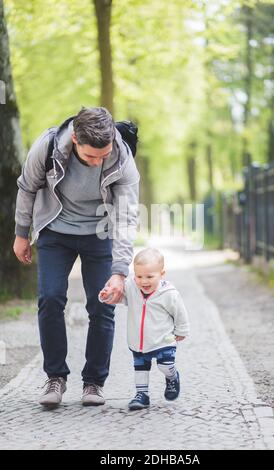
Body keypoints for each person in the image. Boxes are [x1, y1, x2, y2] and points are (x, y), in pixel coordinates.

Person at [13, 107, 139, 408]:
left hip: (100, 232)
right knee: (51, 298)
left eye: (103, 155)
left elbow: (126, 216)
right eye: (91, 157)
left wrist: (120, 271)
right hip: (56, 230)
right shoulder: (47, 147)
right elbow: (27, 187)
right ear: (75, 139)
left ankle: (94, 382)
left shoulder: (122, 158)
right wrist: (21, 233)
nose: (98, 161)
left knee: (103, 303)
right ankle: (55, 377)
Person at [99, 247, 189, 410]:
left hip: (164, 340)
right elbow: (119, 297)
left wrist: (181, 330)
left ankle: (172, 376)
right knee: (140, 368)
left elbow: (179, 312)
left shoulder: (169, 293)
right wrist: (107, 296)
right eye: (139, 276)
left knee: (164, 365)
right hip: (138, 342)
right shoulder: (131, 286)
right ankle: (142, 395)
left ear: (162, 274)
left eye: (149, 276)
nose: (144, 281)